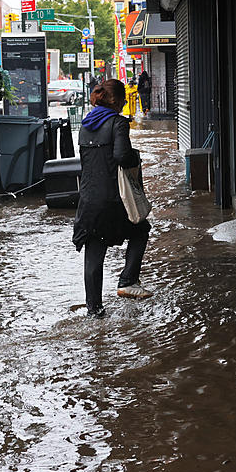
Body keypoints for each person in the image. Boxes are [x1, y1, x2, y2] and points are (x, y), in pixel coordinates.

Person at [71, 79, 153, 318]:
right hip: (113, 199)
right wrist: (134, 159)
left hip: (88, 200)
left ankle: (94, 311)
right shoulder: (118, 123)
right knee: (140, 229)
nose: (124, 105)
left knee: (94, 253)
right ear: (116, 101)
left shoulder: (85, 125)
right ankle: (127, 280)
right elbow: (121, 156)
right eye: (124, 101)